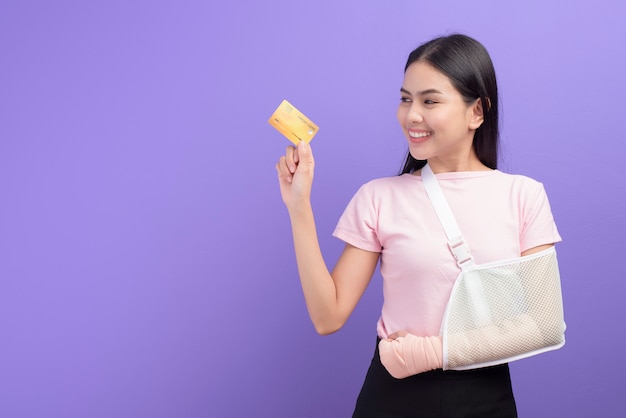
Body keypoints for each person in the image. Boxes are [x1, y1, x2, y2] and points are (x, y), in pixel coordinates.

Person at [275, 34, 561, 417]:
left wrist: (428, 351)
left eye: (429, 101)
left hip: (484, 398)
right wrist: (299, 208)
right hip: (392, 398)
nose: (411, 115)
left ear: (477, 111)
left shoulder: (523, 195)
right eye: (405, 99)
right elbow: (328, 317)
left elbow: (544, 325)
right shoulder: (379, 197)